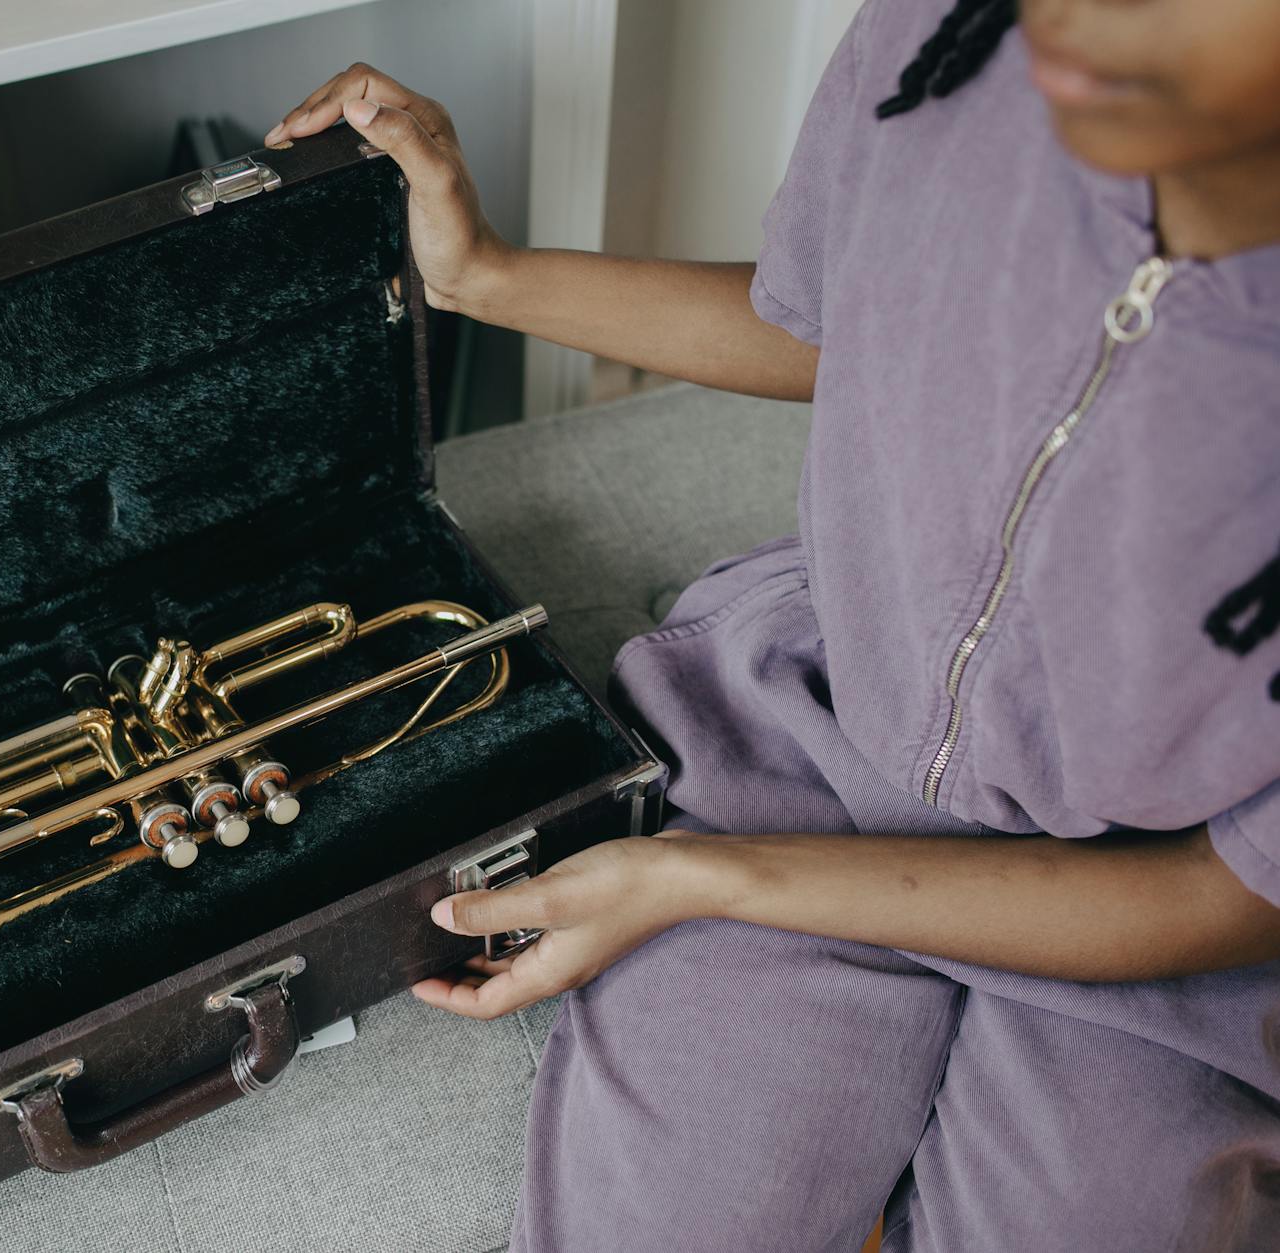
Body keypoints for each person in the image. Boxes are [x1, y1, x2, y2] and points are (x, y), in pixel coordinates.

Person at [264, 0, 1280, 1248]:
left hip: (1148, 917)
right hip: (800, 727)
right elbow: (832, 325)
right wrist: (482, 273)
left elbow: (1231, 890)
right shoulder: (947, 29)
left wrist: (707, 877)